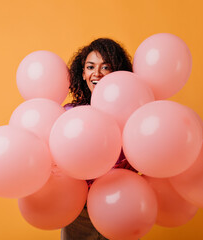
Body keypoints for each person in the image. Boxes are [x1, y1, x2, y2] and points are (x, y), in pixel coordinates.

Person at [61, 38, 134, 240]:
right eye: (91, 66)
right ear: (83, 73)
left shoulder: (131, 111)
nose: (97, 73)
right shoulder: (69, 114)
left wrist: (133, 165)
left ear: (117, 72)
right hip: (80, 211)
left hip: (121, 204)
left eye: (106, 67)